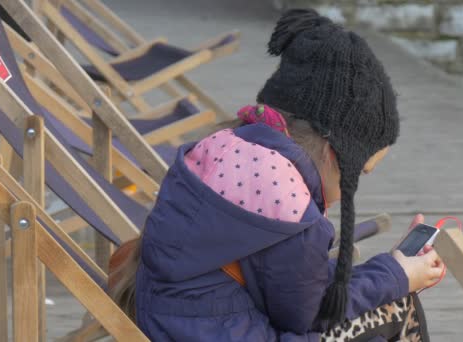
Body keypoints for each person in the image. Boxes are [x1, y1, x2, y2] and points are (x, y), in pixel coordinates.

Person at [109, 9, 443, 341]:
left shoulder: (230, 152)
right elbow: (310, 317)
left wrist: (392, 269)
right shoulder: (291, 210)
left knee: (387, 293)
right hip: (222, 332)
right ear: (332, 152)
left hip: (172, 320)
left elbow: (286, 282)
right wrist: (396, 275)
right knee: (398, 306)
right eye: (361, 172)